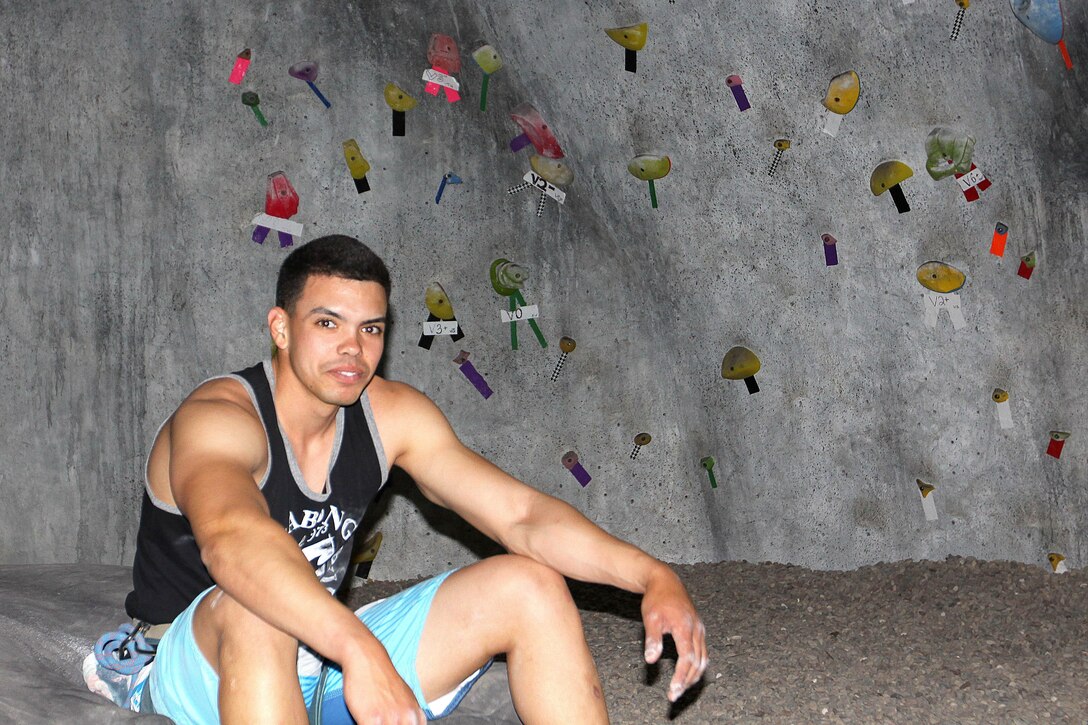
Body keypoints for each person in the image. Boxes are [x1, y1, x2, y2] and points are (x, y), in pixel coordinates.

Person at [85, 234, 707, 724]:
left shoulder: (392, 414)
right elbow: (233, 540)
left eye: (371, 329)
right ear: (281, 328)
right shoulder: (220, 419)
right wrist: (360, 650)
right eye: (327, 323)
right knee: (259, 607)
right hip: (195, 663)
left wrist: (653, 576)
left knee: (530, 584)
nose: (352, 349)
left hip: (320, 658)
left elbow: (521, 516)